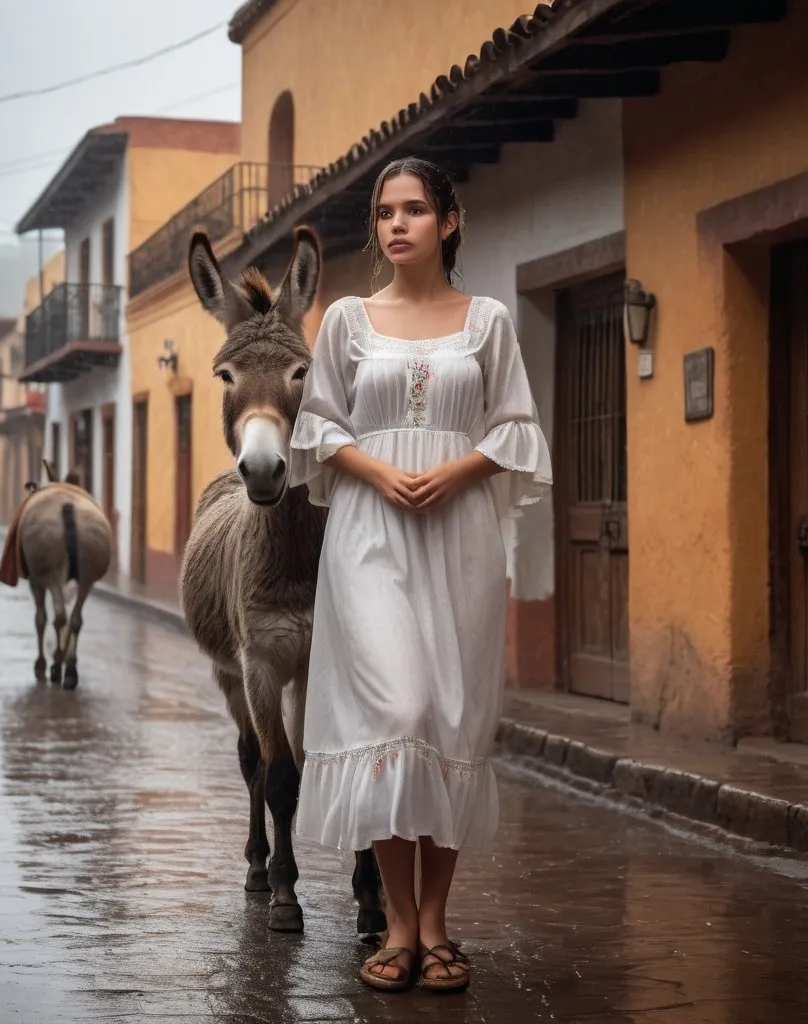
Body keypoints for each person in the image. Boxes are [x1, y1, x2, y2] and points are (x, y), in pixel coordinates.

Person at [288, 156, 552, 993]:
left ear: (449, 221)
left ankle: (435, 922)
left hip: (462, 536)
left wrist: (459, 470)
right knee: (395, 708)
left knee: (449, 720)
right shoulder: (346, 323)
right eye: (384, 212)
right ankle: (396, 919)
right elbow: (318, 428)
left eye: (413, 210)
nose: (396, 224)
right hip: (369, 535)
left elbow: (516, 429)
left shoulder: (489, 322)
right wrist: (376, 472)